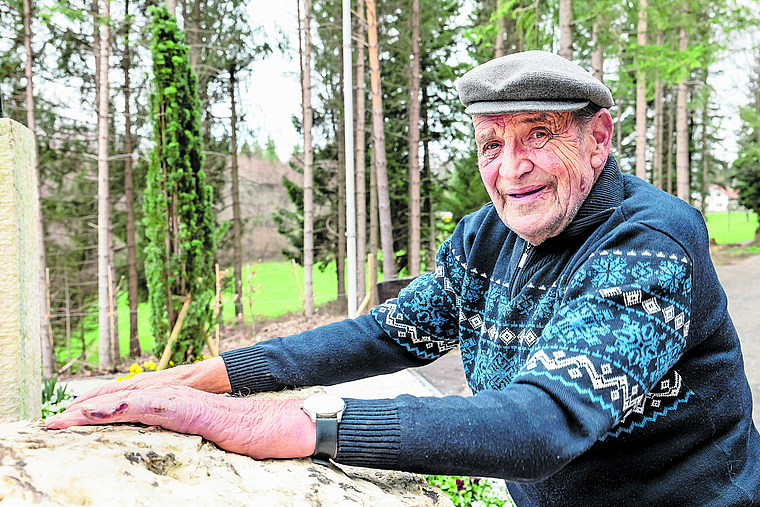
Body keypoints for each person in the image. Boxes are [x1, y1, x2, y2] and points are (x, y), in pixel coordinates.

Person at [48, 51, 760, 506]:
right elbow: (391, 332)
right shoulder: (489, 234)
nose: (511, 170)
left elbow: (543, 421)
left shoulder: (650, 243)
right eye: (492, 143)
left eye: (538, 134)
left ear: (597, 137)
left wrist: (297, 423)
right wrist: (200, 378)